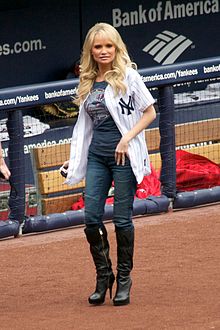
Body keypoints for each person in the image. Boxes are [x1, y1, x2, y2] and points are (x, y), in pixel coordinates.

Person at [62, 22, 156, 306]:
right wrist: (76, 155)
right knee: (91, 217)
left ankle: (124, 278)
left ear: (117, 48)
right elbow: (85, 128)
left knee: (121, 219)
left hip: (123, 157)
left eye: (109, 46)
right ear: (91, 50)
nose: (104, 51)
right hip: (97, 157)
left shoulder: (129, 76)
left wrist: (127, 138)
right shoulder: (88, 81)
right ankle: (104, 276)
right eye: (98, 46)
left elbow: (150, 112)